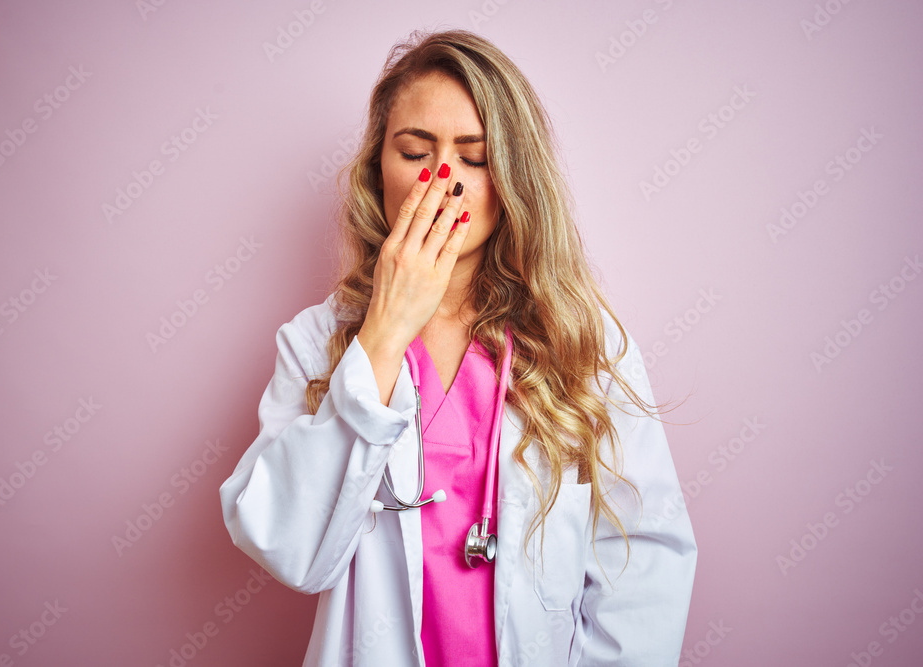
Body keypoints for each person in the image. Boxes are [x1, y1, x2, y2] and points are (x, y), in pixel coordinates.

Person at [219, 28, 697, 666]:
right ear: (376, 170)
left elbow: (644, 561)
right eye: (416, 151)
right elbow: (289, 549)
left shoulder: (585, 342)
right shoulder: (315, 342)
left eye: (474, 158)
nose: (443, 181)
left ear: (513, 178)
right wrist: (382, 335)